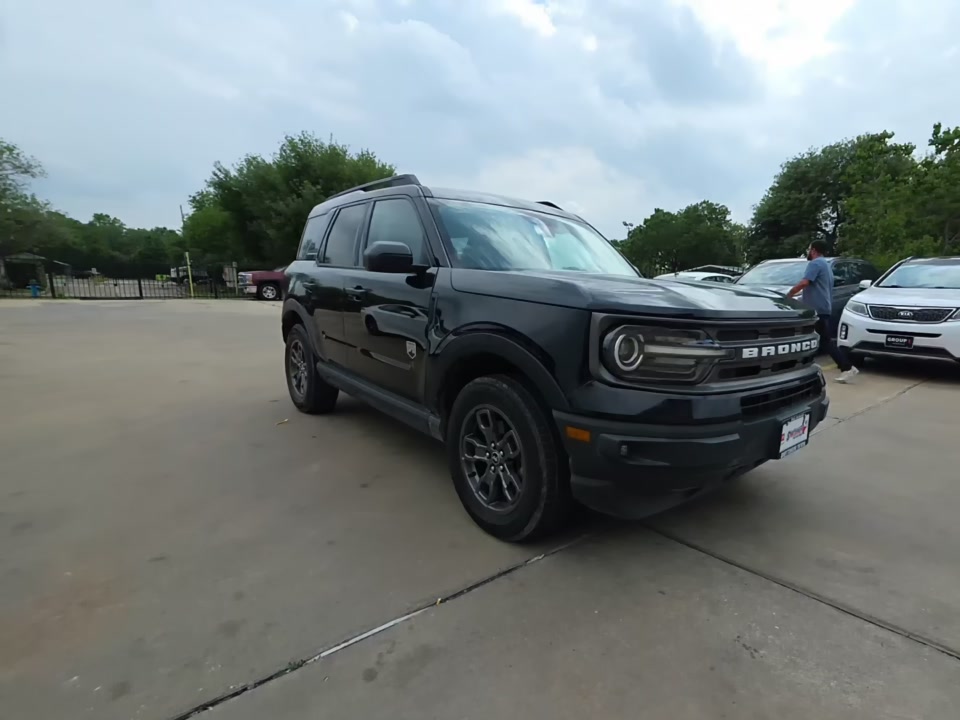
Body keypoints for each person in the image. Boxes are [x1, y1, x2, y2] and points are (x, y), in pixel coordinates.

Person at [787, 240, 859, 383]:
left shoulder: (815, 264)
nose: (808, 252)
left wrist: (788, 295)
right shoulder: (825, 265)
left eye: (809, 249)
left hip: (816, 309)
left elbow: (804, 282)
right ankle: (808, 364)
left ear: (813, 250)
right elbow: (816, 288)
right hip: (823, 306)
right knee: (816, 338)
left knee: (823, 340)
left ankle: (847, 368)